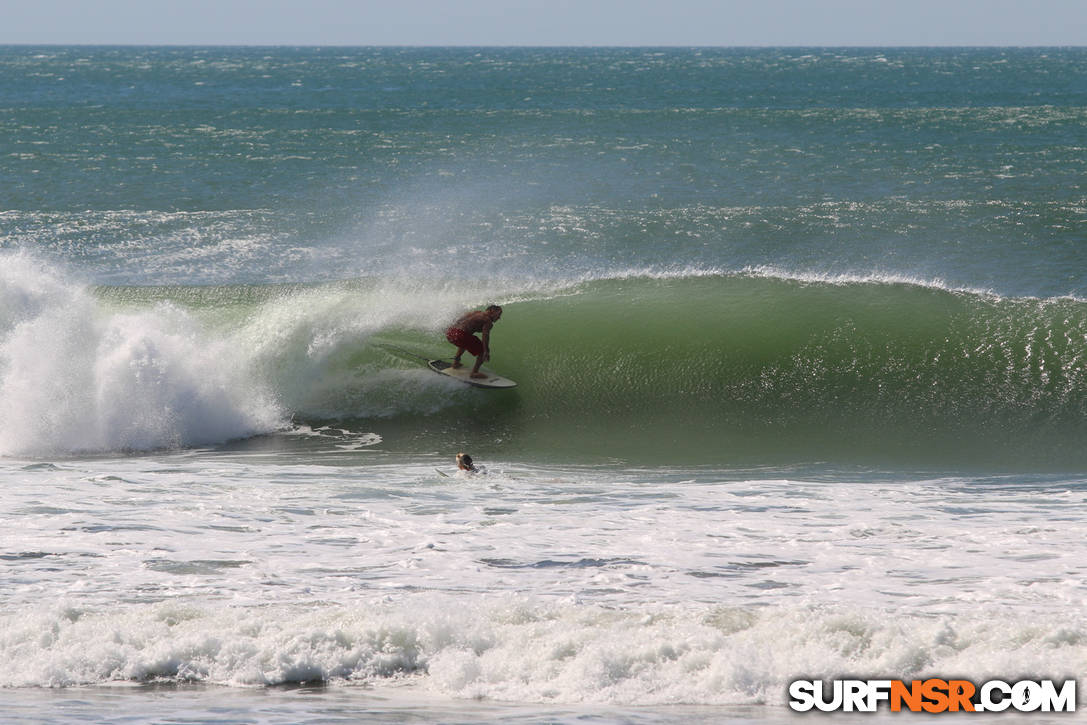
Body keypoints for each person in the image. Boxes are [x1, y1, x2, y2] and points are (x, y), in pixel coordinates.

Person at [445, 305, 502, 379]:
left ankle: (456, 362)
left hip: (450, 332)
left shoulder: (476, 312)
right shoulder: (487, 321)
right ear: (492, 311)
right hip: (460, 335)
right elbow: (485, 336)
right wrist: (486, 350)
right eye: (499, 314)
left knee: (466, 343)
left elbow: (459, 320)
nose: (499, 317)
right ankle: (474, 373)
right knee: (482, 351)